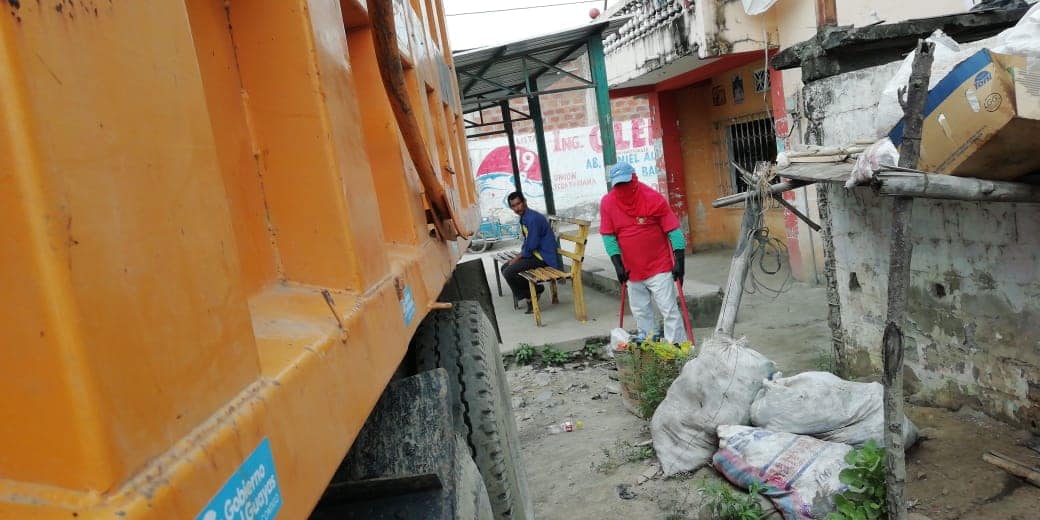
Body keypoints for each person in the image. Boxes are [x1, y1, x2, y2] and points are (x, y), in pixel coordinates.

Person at [600, 162, 688, 343]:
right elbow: (608, 237)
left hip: (659, 266)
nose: (623, 188)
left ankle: (678, 348)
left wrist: (680, 262)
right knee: (641, 312)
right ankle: (650, 347)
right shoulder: (608, 203)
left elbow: (674, 232)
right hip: (631, 270)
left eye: (626, 183)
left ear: (634, 178)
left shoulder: (653, 198)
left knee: (669, 310)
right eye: (618, 184)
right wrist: (618, 266)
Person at [501, 192, 561, 313]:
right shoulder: (525, 217)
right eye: (513, 206)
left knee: (508, 272)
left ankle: (531, 295)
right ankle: (533, 291)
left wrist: (518, 258)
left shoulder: (533, 218)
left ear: (524, 201)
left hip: (544, 257)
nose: (517, 208)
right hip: (535, 254)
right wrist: (519, 256)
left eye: (518, 204)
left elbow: (532, 244)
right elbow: (528, 242)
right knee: (504, 268)